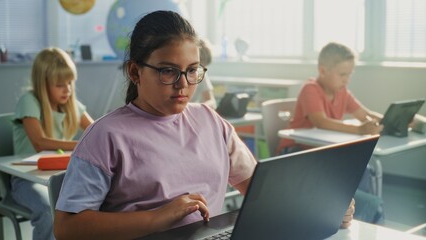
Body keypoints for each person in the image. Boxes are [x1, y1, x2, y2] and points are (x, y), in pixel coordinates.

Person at [53, 11, 355, 240]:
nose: (183, 85)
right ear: (135, 71)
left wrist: (319, 207)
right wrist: (157, 217)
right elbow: (66, 227)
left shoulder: (211, 122)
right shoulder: (106, 136)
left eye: (192, 71)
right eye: (168, 71)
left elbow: (259, 190)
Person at [277, 42, 384, 224]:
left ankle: (357, 214)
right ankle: (359, 212)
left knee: (363, 170)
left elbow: (365, 114)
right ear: (323, 70)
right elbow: (321, 121)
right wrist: (359, 129)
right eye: (342, 74)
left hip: (325, 155)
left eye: (350, 74)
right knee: (365, 200)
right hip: (298, 154)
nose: (347, 79)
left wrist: (390, 119)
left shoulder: (342, 92)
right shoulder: (310, 89)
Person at [12, 47, 94, 240]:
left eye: (70, 82)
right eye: (60, 84)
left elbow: (95, 132)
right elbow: (40, 142)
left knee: (98, 205)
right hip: (26, 180)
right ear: (43, 83)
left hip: (61, 177)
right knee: (49, 212)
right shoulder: (29, 101)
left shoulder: (70, 103)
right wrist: (80, 145)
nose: (68, 89)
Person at [190, 38, 217, 109]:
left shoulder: (201, 73)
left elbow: (212, 102)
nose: (200, 70)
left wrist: (197, 108)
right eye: (199, 66)